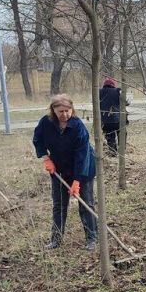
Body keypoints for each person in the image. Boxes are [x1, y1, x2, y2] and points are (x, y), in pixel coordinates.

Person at [32, 95, 98, 250]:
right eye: (60, 111)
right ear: (53, 110)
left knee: (86, 203)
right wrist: (46, 158)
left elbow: (82, 156)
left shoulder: (78, 127)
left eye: (67, 110)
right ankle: (56, 239)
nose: (65, 114)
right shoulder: (46, 123)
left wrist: (77, 181)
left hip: (84, 169)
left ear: (72, 109)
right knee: (59, 204)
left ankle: (92, 238)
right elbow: (37, 139)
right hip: (59, 170)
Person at [99, 77, 123, 155]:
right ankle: (122, 150)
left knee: (110, 136)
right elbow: (126, 102)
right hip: (118, 119)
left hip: (105, 120)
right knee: (121, 134)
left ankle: (113, 152)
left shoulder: (99, 92)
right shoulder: (117, 91)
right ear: (113, 85)